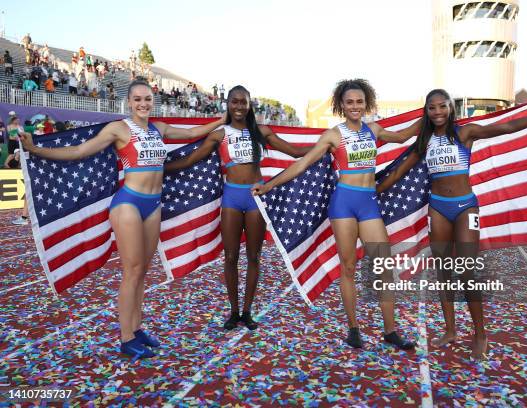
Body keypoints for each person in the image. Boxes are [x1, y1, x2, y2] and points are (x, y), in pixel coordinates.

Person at [19, 79, 226, 359]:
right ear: (129, 102)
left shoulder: (158, 129)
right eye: (137, 99)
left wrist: (223, 119)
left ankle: (137, 328)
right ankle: (126, 338)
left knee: (143, 271)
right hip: (128, 203)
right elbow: (81, 151)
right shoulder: (119, 128)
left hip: (153, 205)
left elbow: (193, 132)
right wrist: (36, 150)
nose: (143, 104)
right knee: (132, 270)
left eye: (147, 99)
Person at [376, 88, 527, 359]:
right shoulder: (424, 141)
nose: (438, 112)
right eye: (432, 107)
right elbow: (397, 173)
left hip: (465, 207)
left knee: (466, 271)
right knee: (443, 273)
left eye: (442, 106)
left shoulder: (466, 132)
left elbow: (507, 127)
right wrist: (369, 191)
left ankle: (480, 334)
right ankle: (450, 330)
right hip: (438, 207)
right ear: (426, 111)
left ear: (451, 108)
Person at [252, 79, 421, 349]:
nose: (355, 106)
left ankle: (390, 331)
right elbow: (304, 163)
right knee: (349, 267)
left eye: (359, 102)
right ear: (341, 105)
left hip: (368, 203)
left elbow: (403, 136)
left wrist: (433, 119)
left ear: (367, 103)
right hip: (343, 204)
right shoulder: (333, 135)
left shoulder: (374, 129)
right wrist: (270, 185)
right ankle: (353, 328)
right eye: (350, 102)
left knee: (383, 266)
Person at [165, 85, 310, 331]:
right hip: (232, 197)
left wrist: (329, 147)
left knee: (253, 257)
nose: (239, 106)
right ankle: (233, 311)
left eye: (243, 102)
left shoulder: (261, 131)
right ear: (228, 104)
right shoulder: (220, 134)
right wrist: (160, 170)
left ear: (249, 105)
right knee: (231, 257)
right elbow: (191, 159)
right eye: (235, 102)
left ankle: (247, 311)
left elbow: (295, 151)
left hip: (255, 196)